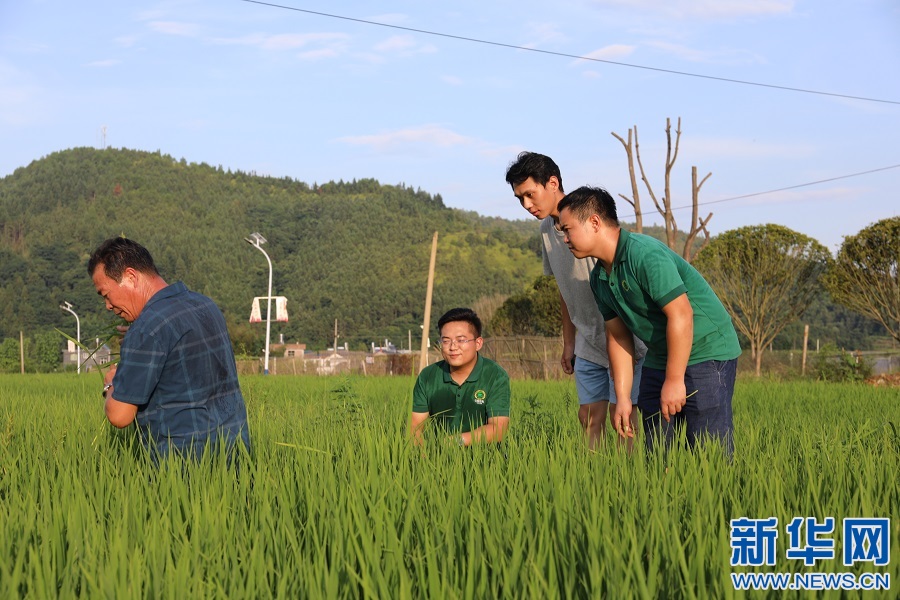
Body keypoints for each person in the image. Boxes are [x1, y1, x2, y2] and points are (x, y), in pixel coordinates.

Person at [556, 186, 741, 456]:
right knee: (657, 451)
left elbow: (681, 314)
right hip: (659, 355)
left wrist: (675, 380)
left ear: (594, 222)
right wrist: (622, 399)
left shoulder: (644, 254)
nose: (564, 238)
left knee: (707, 453)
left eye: (567, 229)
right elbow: (618, 337)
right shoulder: (599, 278)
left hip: (706, 350)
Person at [505, 151, 646, 449]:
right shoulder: (545, 230)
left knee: (621, 416)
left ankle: (629, 482)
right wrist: (569, 342)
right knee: (588, 417)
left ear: (553, 183)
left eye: (530, 194)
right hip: (586, 338)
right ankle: (594, 478)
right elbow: (563, 287)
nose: (527, 205)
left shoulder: (585, 222)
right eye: (520, 198)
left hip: (620, 334)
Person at [88, 237, 251, 459]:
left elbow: (120, 416)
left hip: (182, 469)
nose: (108, 305)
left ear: (131, 276)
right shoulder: (205, 305)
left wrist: (111, 384)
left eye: (106, 294)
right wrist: (139, 340)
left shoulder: (147, 329)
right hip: (235, 455)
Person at [409, 308, 510, 446]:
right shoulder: (428, 376)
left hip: (486, 460)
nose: (453, 347)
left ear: (478, 343)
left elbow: (499, 429)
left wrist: (453, 442)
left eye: (461, 340)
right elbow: (415, 428)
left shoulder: (495, 375)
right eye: (446, 341)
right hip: (438, 460)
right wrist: (422, 459)